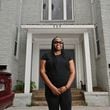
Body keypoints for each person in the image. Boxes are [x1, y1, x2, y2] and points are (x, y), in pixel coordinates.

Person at [40, 36, 75, 110]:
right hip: (51, 91)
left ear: (62, 44)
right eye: (56, 42)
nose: (58, 44)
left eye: (60, 42)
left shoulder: (68, 56)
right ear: (53, 44)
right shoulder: (46, 56)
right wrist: (52, 88)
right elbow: (42, 72)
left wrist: (66, 87)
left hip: (65, 90)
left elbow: (73, 72)